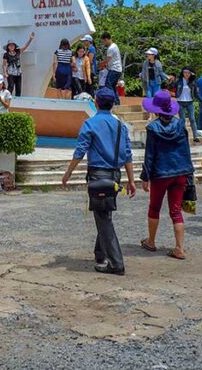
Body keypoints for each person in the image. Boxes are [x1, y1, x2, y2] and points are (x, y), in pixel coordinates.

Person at [62, 88, 136, 275]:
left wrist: (68, 173)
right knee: (104, 213)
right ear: (113, 104)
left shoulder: (90, 123)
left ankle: (116, 263)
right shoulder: (121, 126)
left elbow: (80, 151)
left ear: (96, 102)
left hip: (98, 175)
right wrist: (132, 180)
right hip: (115, 175)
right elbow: (127, 155)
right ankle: (100, 253)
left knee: (103, 218)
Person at [138, 90, 193, 260]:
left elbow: (150, 155)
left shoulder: (153, 128)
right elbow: (186, 150)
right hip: (180, 172)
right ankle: (179, 248)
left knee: (154, 207)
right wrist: (189, 172)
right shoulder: (179, 125)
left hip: (160, 173)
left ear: (156, 110)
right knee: (176, 210)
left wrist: (145, 177)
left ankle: (151, 241)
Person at [2, 31, 35, 97]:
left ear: (14, 46)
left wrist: (30, 39)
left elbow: (25, 47)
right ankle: (7, 99)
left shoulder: (17, 52)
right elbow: (4, 64)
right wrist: (5, 73)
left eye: (13, 45)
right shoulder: (6, 54)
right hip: (11, 73)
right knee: (10, 87)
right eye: (10, 45)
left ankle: (18, 101)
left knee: (18, 88)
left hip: (18, 73)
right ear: (8, 47)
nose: (12, 46)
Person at [99, 32, 123, 105]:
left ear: (106, 39)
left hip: (114, 69)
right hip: (117, 69)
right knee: (112, 86)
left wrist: (100, 64)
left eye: (103, 42)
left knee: (108, 85)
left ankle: (114, 102)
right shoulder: (114, 46)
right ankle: (117, 102)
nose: (103, 44)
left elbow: (107, 60)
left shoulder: (111, 48)